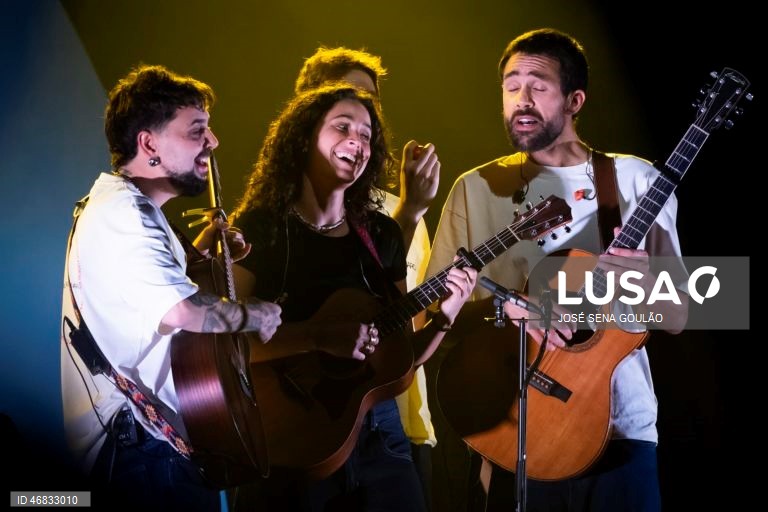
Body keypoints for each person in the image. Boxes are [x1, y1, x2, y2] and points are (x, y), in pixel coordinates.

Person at [425, 28, 689, 511]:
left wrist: (644, 280)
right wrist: (515, 312)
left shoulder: (635, 179)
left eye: (538, 85)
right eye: (510, 86)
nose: (520, 99)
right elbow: (434, 315)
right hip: (515, 423)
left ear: (574, 100)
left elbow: (676, 316)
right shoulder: (476, 187)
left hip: (619, 430)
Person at [230, 83, 477, 511]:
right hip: (292, 440)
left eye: (366, 135)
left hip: (381, 438)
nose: (356, 142)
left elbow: (399, 360)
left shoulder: (380, 234)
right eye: (342, 127)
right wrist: (316, 337)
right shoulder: (260, 228)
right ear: (305, 136)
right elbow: (225, 344)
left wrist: (444, 317)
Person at [60, 64, 282, 511]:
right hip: (142, 454)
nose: (213, 143)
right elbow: (179, 312)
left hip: (149, 452)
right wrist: (256, 314)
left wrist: (197, 258)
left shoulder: (126, 208)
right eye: (197, 130)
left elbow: (139, 296)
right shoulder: (124, 211)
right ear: (149, 144)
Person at [294, 46, 440, 507]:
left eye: (371, 107)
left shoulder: (394, 207)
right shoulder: (280, 214)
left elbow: (400, 326)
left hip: (397, 424)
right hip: (312, 433)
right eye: (347, 101)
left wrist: (446, 316)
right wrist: (409, 212)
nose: (361, 117)